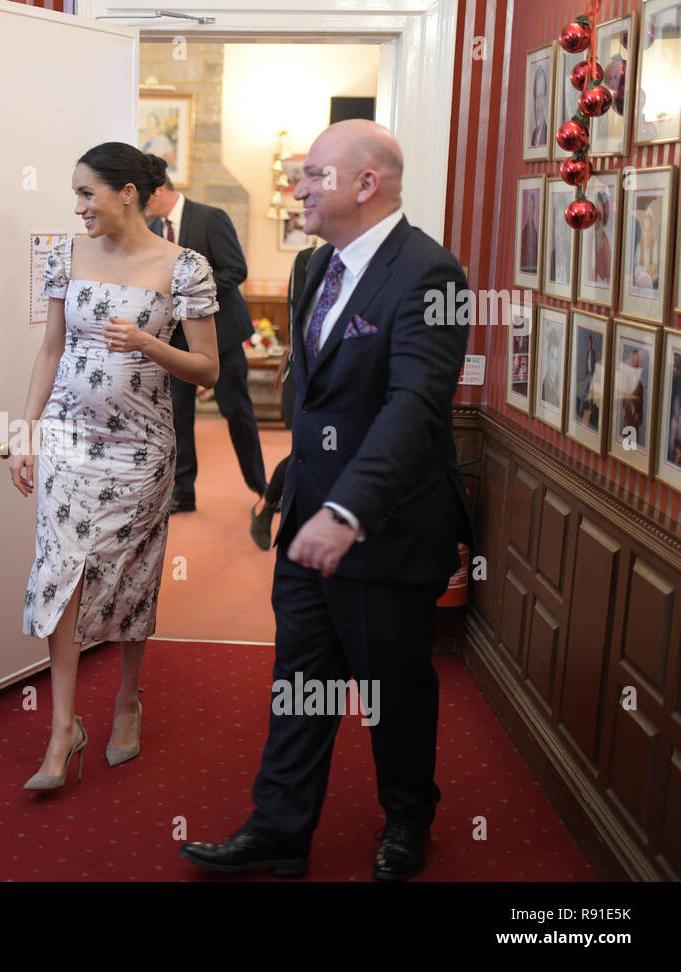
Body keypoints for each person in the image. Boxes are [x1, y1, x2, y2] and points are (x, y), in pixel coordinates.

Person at [179, 120, 472, 882]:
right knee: (300, 678)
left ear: (365, 184)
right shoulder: (315, 267)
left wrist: (350, 512)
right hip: (308, 518)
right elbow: (317, 398)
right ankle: (280, 831)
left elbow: (416, 407)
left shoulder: (432, 275)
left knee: (392, 690)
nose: (297, 188)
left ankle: (409, 818)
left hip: (388, 531)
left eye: (312, 175)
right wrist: (296, 486)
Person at [11, 143, 219, 790]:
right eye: (74, 195)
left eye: (86, 194)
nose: (77, 208)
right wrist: (26, 432)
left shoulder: (185, 267)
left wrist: (151, 342)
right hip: (71, 441)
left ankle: (129, 699)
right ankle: (62, 729)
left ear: (127, 192)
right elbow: (50, 351)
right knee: (62, 570)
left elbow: (208, 371)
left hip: (144, 449)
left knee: (133, 570)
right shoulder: (63, 258)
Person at [145, 174, 267, 514]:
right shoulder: (153, 228)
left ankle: (261, 485)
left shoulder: (211, 218)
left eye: (143, 193)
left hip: (221, 335)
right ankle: (184, 491)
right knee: (179, 416)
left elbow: (235, 270)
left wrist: (188, 290)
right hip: (178, 340)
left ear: (159, 190)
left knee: (236, 411)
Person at [250, 245, 315, 550]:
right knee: (304, 450)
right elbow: (298, 319)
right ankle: (267, 508)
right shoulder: (309, 258)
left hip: (339, 377)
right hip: (306, 374)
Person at [576, 336, 603, 428]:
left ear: (592, 343)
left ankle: (590, 410)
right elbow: (586, 364)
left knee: (591, 393)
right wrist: (585, 375)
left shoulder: (593, 353)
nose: (590, 344)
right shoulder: (587, 352)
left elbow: (595, 364)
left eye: (591, 342)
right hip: (588, 375)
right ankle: (580, 409)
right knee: (584, 392)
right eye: (589, 342)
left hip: (592, 375)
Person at [530, 62, 549, 149]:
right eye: (537, 97)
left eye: (541, 97)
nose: (538, 105)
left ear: (545, 98)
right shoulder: (533, 135)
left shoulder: (548, 133)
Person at [519, 191, 539, 274]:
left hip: (535, 269)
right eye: (530, 208)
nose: (531, 211)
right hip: (524, 269)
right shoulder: (523, 232)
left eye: (533, 208)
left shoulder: (536, 232)